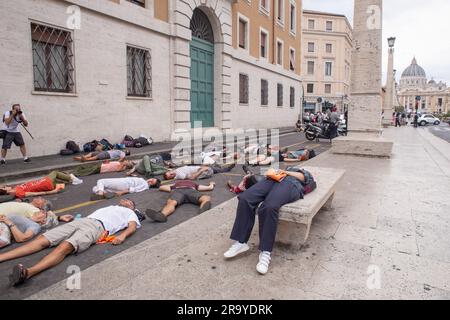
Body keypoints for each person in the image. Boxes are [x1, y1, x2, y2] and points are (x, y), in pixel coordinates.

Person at [0, 199, 141, 286]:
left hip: (98, 227)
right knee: (43, 240)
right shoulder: (111, 207)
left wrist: (122, 236)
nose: (126, 201)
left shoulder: (131, 213)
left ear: (133, 207)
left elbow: (132, 226)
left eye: (130, 202)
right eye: (126, 200)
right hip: (83, 220)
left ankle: (28, 273)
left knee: (66, 246)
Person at [223, 167, 314, 275]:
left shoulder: (301, 173)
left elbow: (303, 177)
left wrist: (285, 172)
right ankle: (241, 242)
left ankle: (265, 252)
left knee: (269, 206)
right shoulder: (283, 171)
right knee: (245, 199)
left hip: (290, 185)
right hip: (272, 181)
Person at [0, 200, 72, 248]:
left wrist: (9, 223)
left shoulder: (35, 226)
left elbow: (22, 238)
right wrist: (59, 218)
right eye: (42, 210)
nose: (40, 210)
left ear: (43, 221)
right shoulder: (28, 218)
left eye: (43, 213)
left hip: (3, 232)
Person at [145, 180, 215, 223]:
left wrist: (211, 183)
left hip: (189, 190)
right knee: (172, 202)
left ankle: (203, 211)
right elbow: (161, 187)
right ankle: (162, 215)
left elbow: (209, 188)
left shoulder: (195, 185)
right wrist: (172, 188)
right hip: (179, 191)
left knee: (206, 198)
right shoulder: (174, 185)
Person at [0, 171, 83, 200]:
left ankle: (70, 179)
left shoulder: (15, 188)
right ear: (5, 190)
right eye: (4, 186)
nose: (6, 185)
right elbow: (35, 194)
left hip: (42, 182)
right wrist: (51, 192)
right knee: (55, 173)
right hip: (44, 184)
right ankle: (72, 179)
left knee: (59, 180)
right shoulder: (18, 193)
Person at [90, 177, 160, 200]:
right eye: (152, 179)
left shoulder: (145, 185)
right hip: (123, 183)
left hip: (123, 183)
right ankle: (103, 193)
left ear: (151, 185)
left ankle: (100, 194)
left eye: (152, 182)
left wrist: (122, 192)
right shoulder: (144, 182)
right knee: (96, 188)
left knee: (101, 181)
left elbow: (134, 189)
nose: (150, 180)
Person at [163, 163, 235, 181]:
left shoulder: (175, 171)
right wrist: (201, 170)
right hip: (201, 172)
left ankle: (218, 167)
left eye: (170, 173)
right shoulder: (180, 176)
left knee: (213, 168)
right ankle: (227, 169)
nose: (171, 173)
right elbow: (192, 177)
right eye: (170, 175)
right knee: (213, 170)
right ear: (171, 178)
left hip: (198, 167)